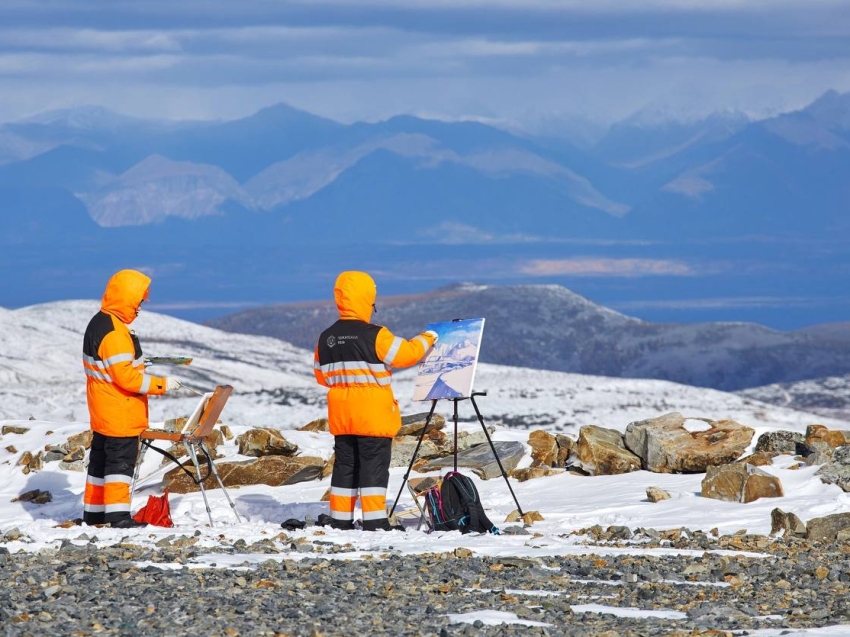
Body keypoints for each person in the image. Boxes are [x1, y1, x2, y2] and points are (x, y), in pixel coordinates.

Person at [314, 271, 437, 531]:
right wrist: (428, 338)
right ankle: (374, 521)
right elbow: (405, 355)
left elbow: (321, 376)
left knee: (346, 465)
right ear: (366, 298)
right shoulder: (376, 335)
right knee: (373, 466)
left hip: (341, 414)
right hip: (372, 413)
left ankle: (340, 519)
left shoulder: (326, 337)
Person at [82, 269, 182, 528]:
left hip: (104, 408)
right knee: (119, 466)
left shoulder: (100, 322)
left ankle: (94, 515)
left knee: (100, 464)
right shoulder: (115, 333)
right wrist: (162, 384)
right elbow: (126, 378)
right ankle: (118, 517)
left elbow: (112, 367)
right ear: (126, 298)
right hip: (120, 411)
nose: (140, 307)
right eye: (138, 302)